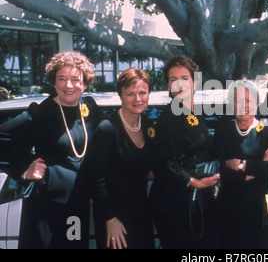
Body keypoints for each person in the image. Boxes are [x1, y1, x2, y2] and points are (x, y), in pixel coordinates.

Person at [0, 51, 103, 249]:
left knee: (75, 246)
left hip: (77, 205)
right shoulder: (40, 113)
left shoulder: (90, 109)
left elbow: (108, 141)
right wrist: (23, 168)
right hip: (45, 207)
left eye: (75, 79)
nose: (69, 85)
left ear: (85, 82)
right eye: (62, 79)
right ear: (54, 82)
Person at [149, 56, 220, 249]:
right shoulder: (171, 114)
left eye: (184, 78)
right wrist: (193, 182)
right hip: (174, 202)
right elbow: (162, 161)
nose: (179, 84)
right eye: (173, 80)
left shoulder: (191, 111)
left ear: (194, 81)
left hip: (194, 199)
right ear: (167, 84)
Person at [88, 68, 155, 249]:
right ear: (121, 96)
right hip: (114, 220)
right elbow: (97, 179)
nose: (138, 99)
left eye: (142, 92)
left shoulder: (149, 126)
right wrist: (110, 220)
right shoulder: (107, 129)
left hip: (142, 214)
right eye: (130, 94)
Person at [215, 80, 268, 249]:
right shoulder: (222, 131)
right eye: (238, 101)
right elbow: (220, 170)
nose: (243, 106)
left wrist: (241, 165)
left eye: (249, 100)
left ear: (257, 103)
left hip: (263, 210)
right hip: (229, 210)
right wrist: (261, 165)